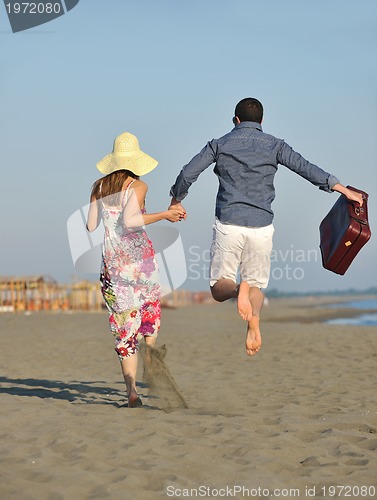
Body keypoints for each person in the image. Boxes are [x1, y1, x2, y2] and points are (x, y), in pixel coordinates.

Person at [169, 98, 363, 357]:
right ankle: (254, 318)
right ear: (262, 121)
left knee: (218, 287)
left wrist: (176, 199)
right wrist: (340, 188)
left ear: (235, 120)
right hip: (261, 228)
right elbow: (306, 168)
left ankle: (239, 289)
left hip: (229, 224)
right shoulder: (275, 145)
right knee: (257, 287)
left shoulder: (219, 144)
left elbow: (187, 174)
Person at [86, 132, 185, 407]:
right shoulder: (138, 185)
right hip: (139, 263)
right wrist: (164, 214)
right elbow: (131, 220)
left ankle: (132, 392)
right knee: (148, 312)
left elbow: (91, 226)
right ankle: (151, 353)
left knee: (124, 329)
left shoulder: (98, 187)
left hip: (112, 266)